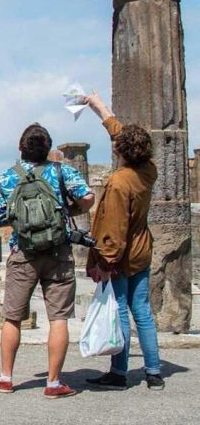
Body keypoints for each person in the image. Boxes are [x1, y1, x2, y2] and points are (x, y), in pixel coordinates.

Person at [0, 122, 94, 398]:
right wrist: (65, 209)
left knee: (12, 318)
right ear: (48, 149)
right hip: (58, 252)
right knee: (58, 318)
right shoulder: (63, 171)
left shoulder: (5, 178)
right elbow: (88, 199)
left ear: (20, 149)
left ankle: (5, 378)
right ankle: (54, 382)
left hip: (23, 252)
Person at [82, 92, 164, 390]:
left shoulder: (119, 182)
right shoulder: (149, 169)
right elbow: (124, 135)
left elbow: (114, 230)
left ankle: (118, 372)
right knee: (142, 310)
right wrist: (98, 106)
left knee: (118, 311)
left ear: (120, 151)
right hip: (143, 249)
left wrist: (105, 261)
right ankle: (154, 372)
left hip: (121, 256)